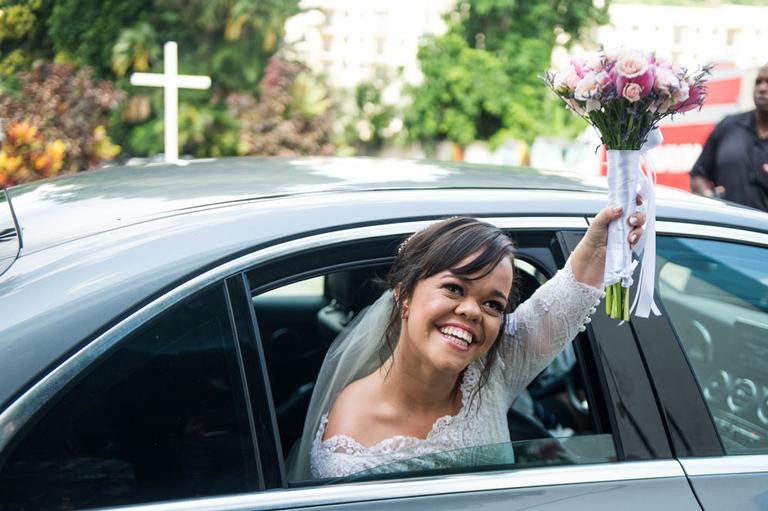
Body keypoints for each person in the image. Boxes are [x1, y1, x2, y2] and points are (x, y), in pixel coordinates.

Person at [288, 205, 645, 480]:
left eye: (493, 304)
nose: (472, 311)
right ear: (404, 296)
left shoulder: (492, 370)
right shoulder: (350, 441)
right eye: (454, 288)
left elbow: (567, 296)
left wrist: (603, 242)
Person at [690, 64, 768, 212]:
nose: (762, 88)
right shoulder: (728, 126)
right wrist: (709, 196)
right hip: (727, 231)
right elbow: (698, 177)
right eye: (758, 82)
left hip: (762, 234)